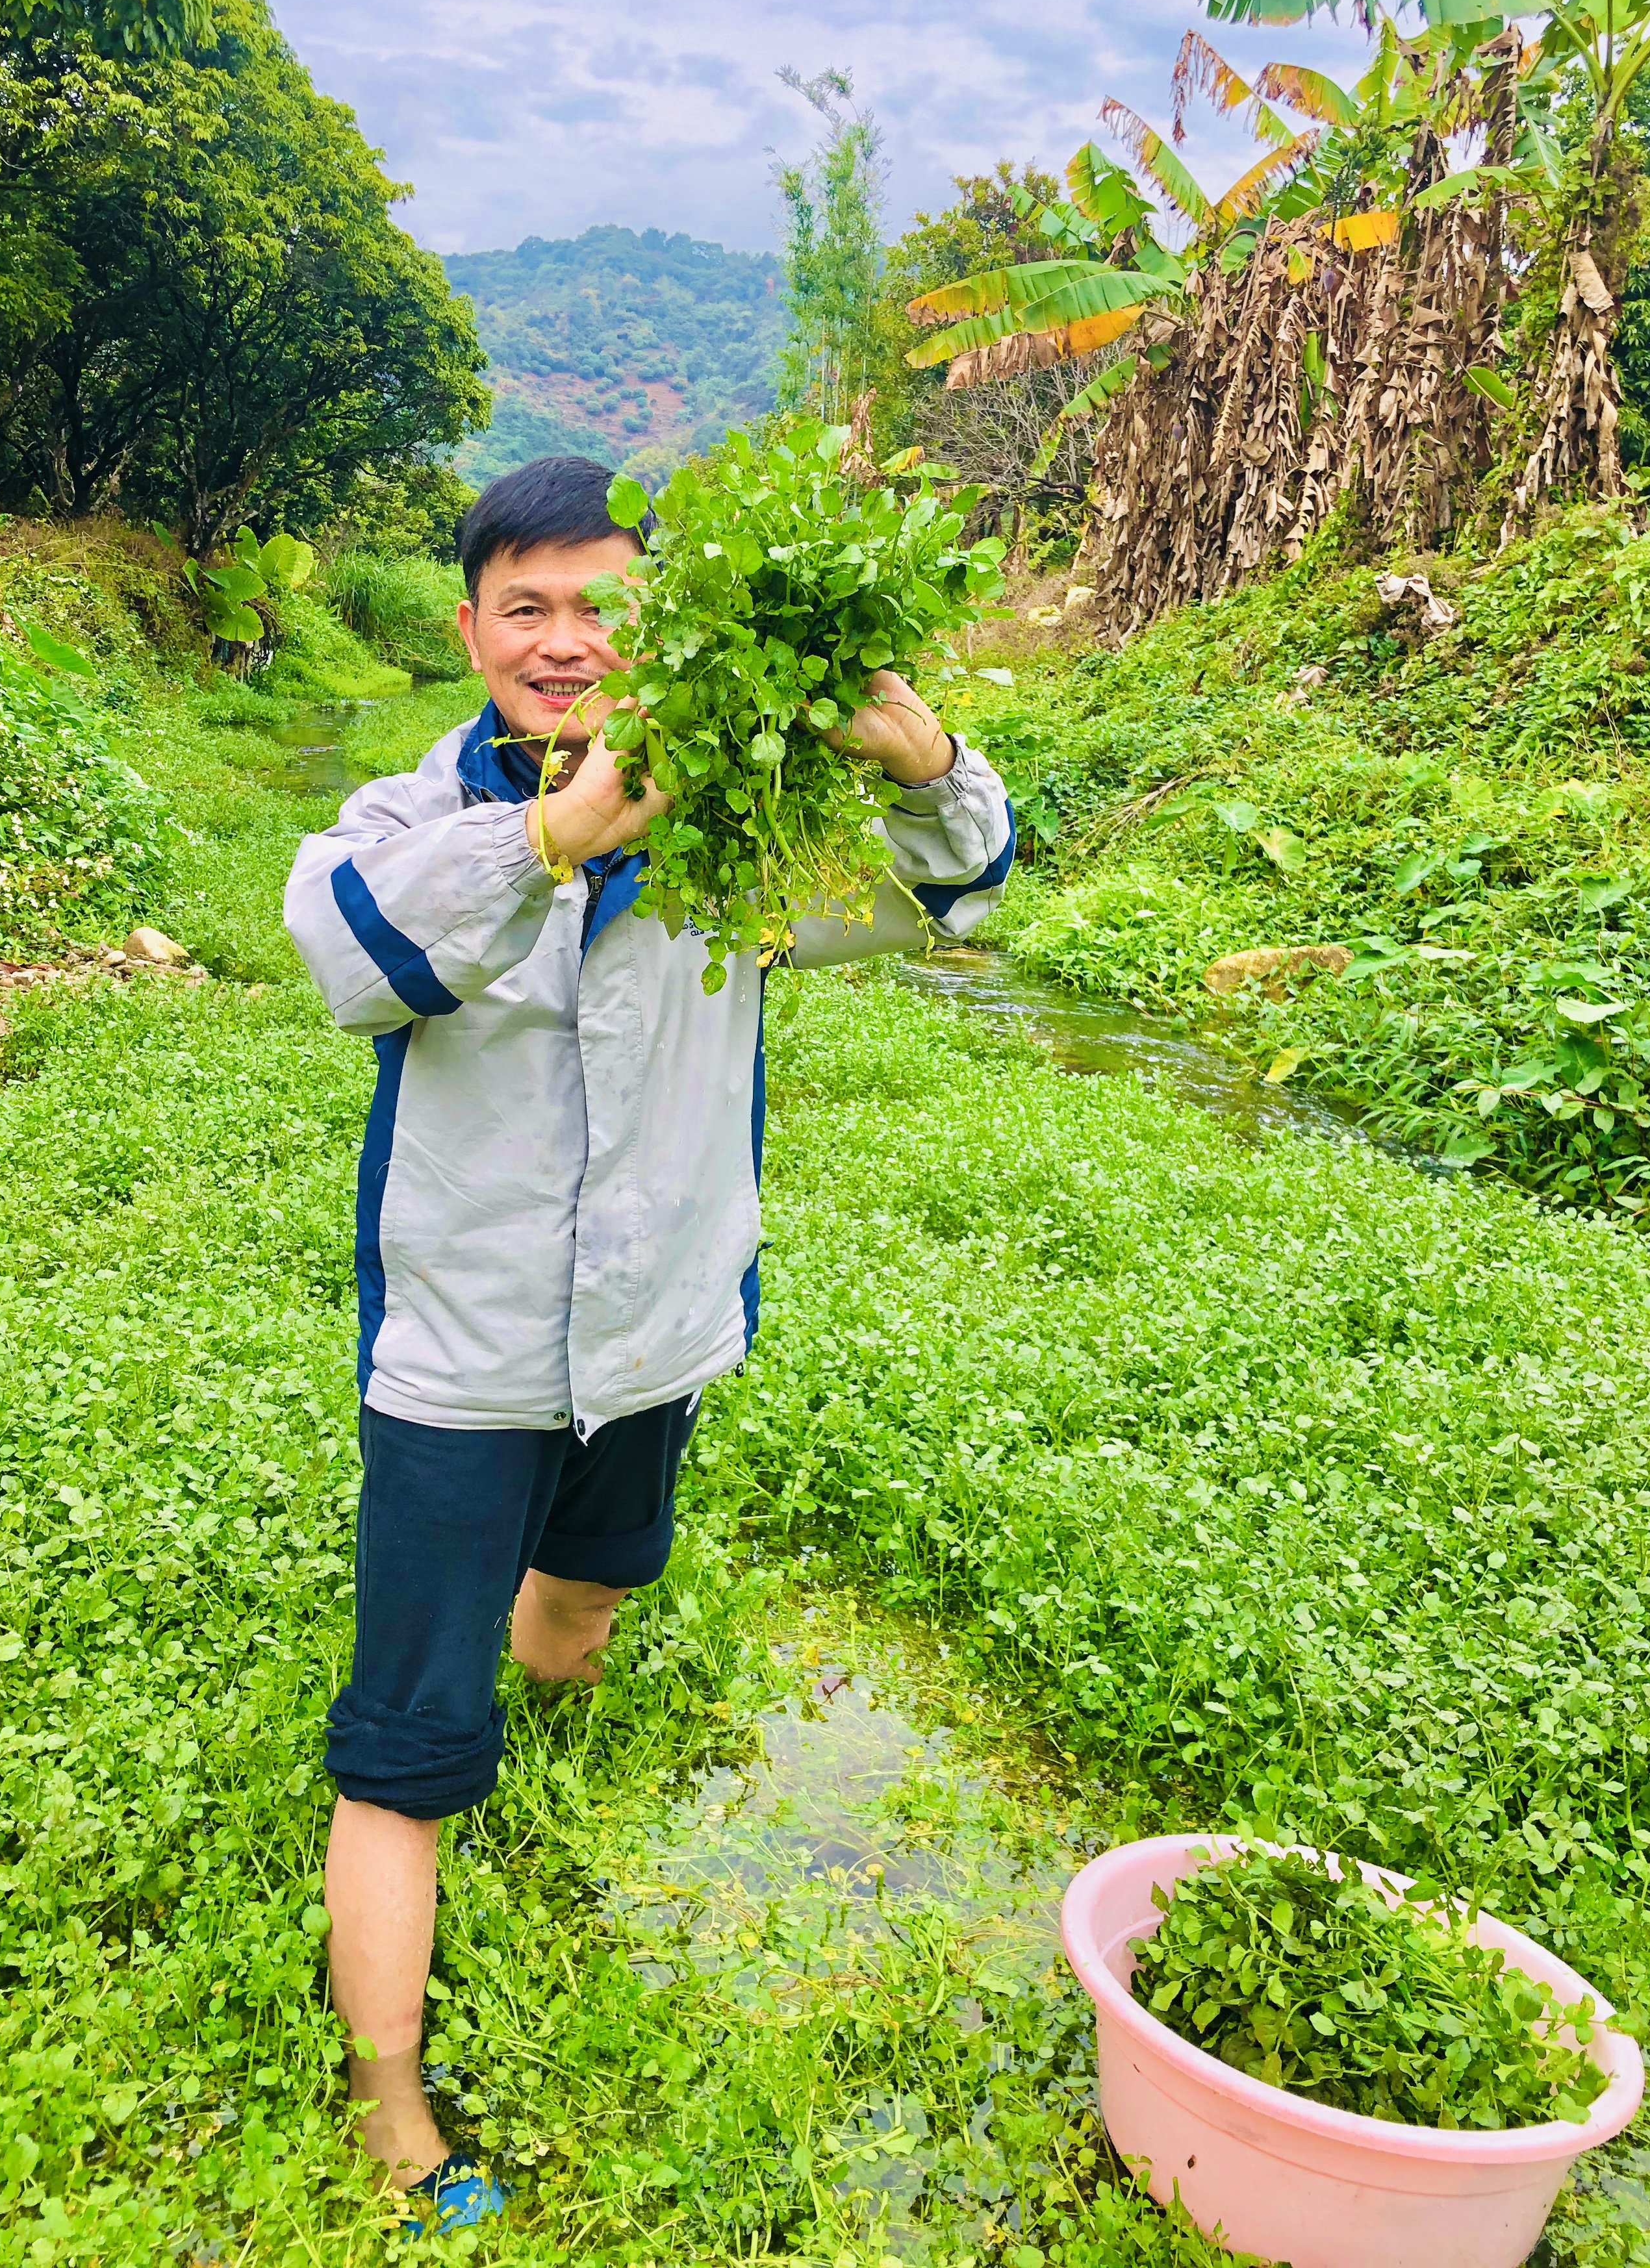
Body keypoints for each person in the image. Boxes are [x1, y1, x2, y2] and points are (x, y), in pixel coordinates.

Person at [283, 454, 1014, 2230]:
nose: (562, 639)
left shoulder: (743, 838)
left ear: (663, 628)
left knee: (594, 1595)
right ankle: (394, 2104)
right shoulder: (397, 819)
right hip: (461, 1359)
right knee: (405, 1744)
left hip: (659, 1329)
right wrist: (556, 833)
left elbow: (956, 905)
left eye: (601, 604)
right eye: (524, 607)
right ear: (468, 630)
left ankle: (557, 1728)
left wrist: (924, 768)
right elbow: (355, 958)